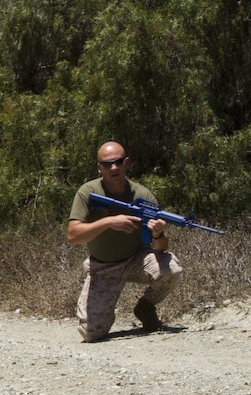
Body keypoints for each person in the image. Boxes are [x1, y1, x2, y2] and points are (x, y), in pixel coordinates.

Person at [67, 141, 182, 342]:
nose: (114, 168)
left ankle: (145, 307)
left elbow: (162, 248)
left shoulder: (143, 195)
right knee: (91, 333)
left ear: (127, 163)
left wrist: (158, 234)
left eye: (118, 162)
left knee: (171, 268)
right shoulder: (87, 192)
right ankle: (103, 311)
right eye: (107, 164)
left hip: (137, 259)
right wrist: (109, 222)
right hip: (103, 266)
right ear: (99, 168)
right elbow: (73, 235)